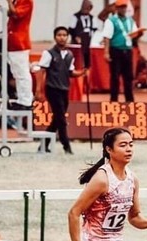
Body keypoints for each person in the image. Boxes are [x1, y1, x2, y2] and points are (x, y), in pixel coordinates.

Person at [35, 26, 88, 155]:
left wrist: (81, 73)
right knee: (62, 120)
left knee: (57, 119)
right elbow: (41, 71)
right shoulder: (49, 53)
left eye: (64, 35)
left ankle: (43, 144)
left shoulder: (70, 55)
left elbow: (70, 72)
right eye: (59, 35)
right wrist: (38, 89)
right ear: (55, 37)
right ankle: (66, 146)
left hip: (64, 89)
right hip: (52, 89)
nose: (62, 37)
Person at [102, 0, 145, 103]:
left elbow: (133, 35)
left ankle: (129, 99)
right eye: (121, 7)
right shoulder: (111, 20)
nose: (123, 9)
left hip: (127, 50)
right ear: (117, 8)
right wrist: (106, 52)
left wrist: (139, 33)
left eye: (124, 7)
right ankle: (114, 99)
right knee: (115, 76)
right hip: (116, 50)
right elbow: (107, 37)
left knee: (129, 76)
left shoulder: (130, 21)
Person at [6, 0, 34, 110]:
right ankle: (22, 98)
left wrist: (9, 2)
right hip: (13, 42)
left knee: (22, 73)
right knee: (17, 73)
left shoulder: (26, 1)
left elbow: (16, 14)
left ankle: (26, 100)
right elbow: (10, 13)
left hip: (20, 41)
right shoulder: (17, 1)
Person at [68, 0, 97, 68]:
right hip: (78, 41)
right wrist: (75, 37)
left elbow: (95, 29)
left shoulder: (92, 18)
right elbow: (71, 29)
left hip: (88, 41)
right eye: (84, 7)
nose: (85, 9)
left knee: (88, 57)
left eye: (87, 7)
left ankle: (87, 70)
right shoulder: (75, 16)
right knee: (78, 58)